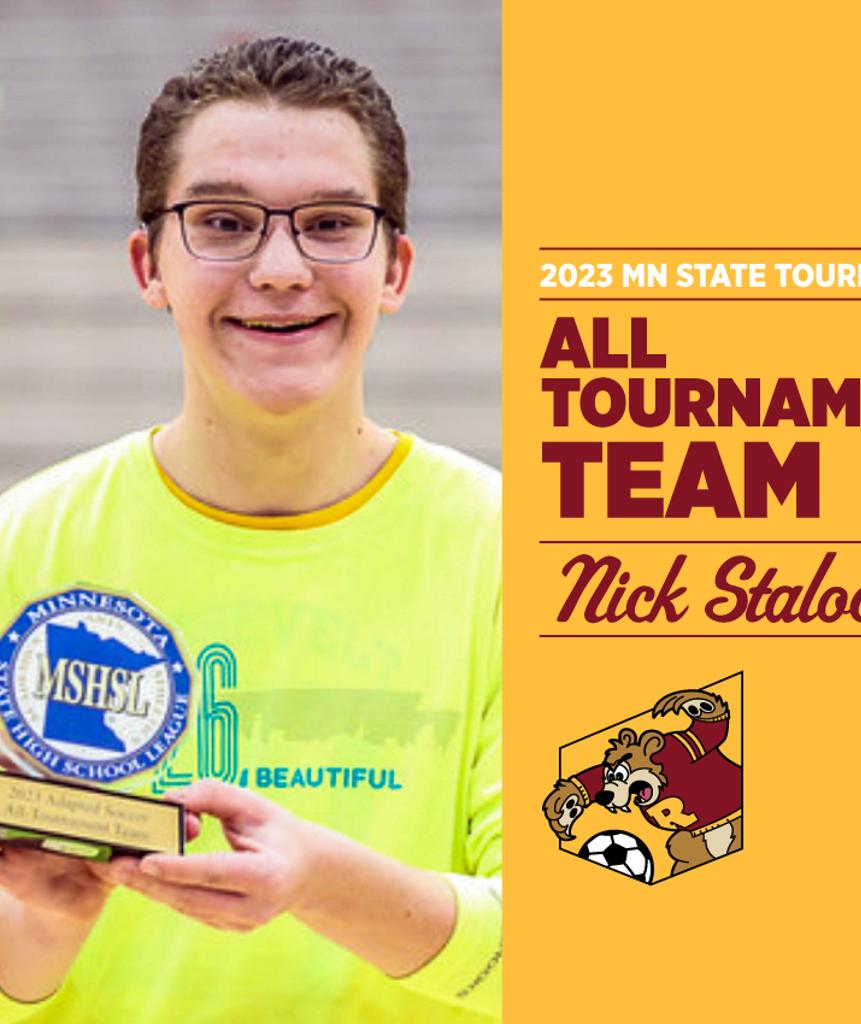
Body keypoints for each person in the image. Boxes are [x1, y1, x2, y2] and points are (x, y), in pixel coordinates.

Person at [0, 37, 500, 1023]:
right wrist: (44, 924)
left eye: (330, 223)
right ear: (150, 263)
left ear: (394, 267)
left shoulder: (525, 557)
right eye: (224, 221)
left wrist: (318, 881)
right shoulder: (20, 546)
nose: (280, 269)